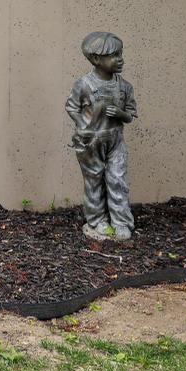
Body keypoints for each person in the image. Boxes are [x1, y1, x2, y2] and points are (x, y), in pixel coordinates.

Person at [65, 31, 136, 242]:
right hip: (91, 141)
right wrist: (82, 126)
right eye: (114, 55)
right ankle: (97, 220)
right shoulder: (84, 84)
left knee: (117, 180)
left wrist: (121, 114)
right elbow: (71, 107)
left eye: (121, 53)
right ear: (96, 59)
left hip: (115, 140)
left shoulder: (124, 87)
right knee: (94, 181)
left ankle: (121, 221)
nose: (120, 59)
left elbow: (130, 115)